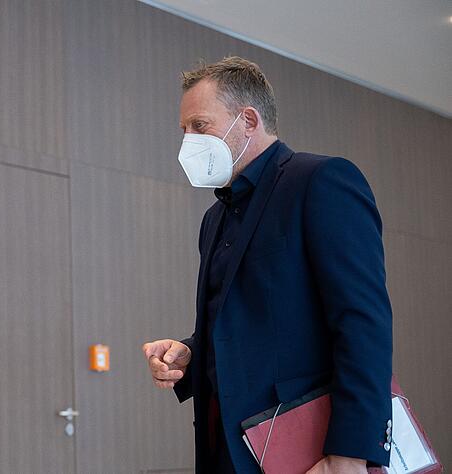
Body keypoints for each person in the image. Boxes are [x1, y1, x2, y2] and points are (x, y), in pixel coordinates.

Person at [142, 57, 392, 473]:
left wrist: (350, 453)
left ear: (249, 120)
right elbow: (249, 321)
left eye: (199, 126)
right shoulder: (214, 218)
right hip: (228, 444)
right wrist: (189, 351)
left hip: (309, 447)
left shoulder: (321, 180)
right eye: (184, 130)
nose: (188, 141)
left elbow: (363, 322)